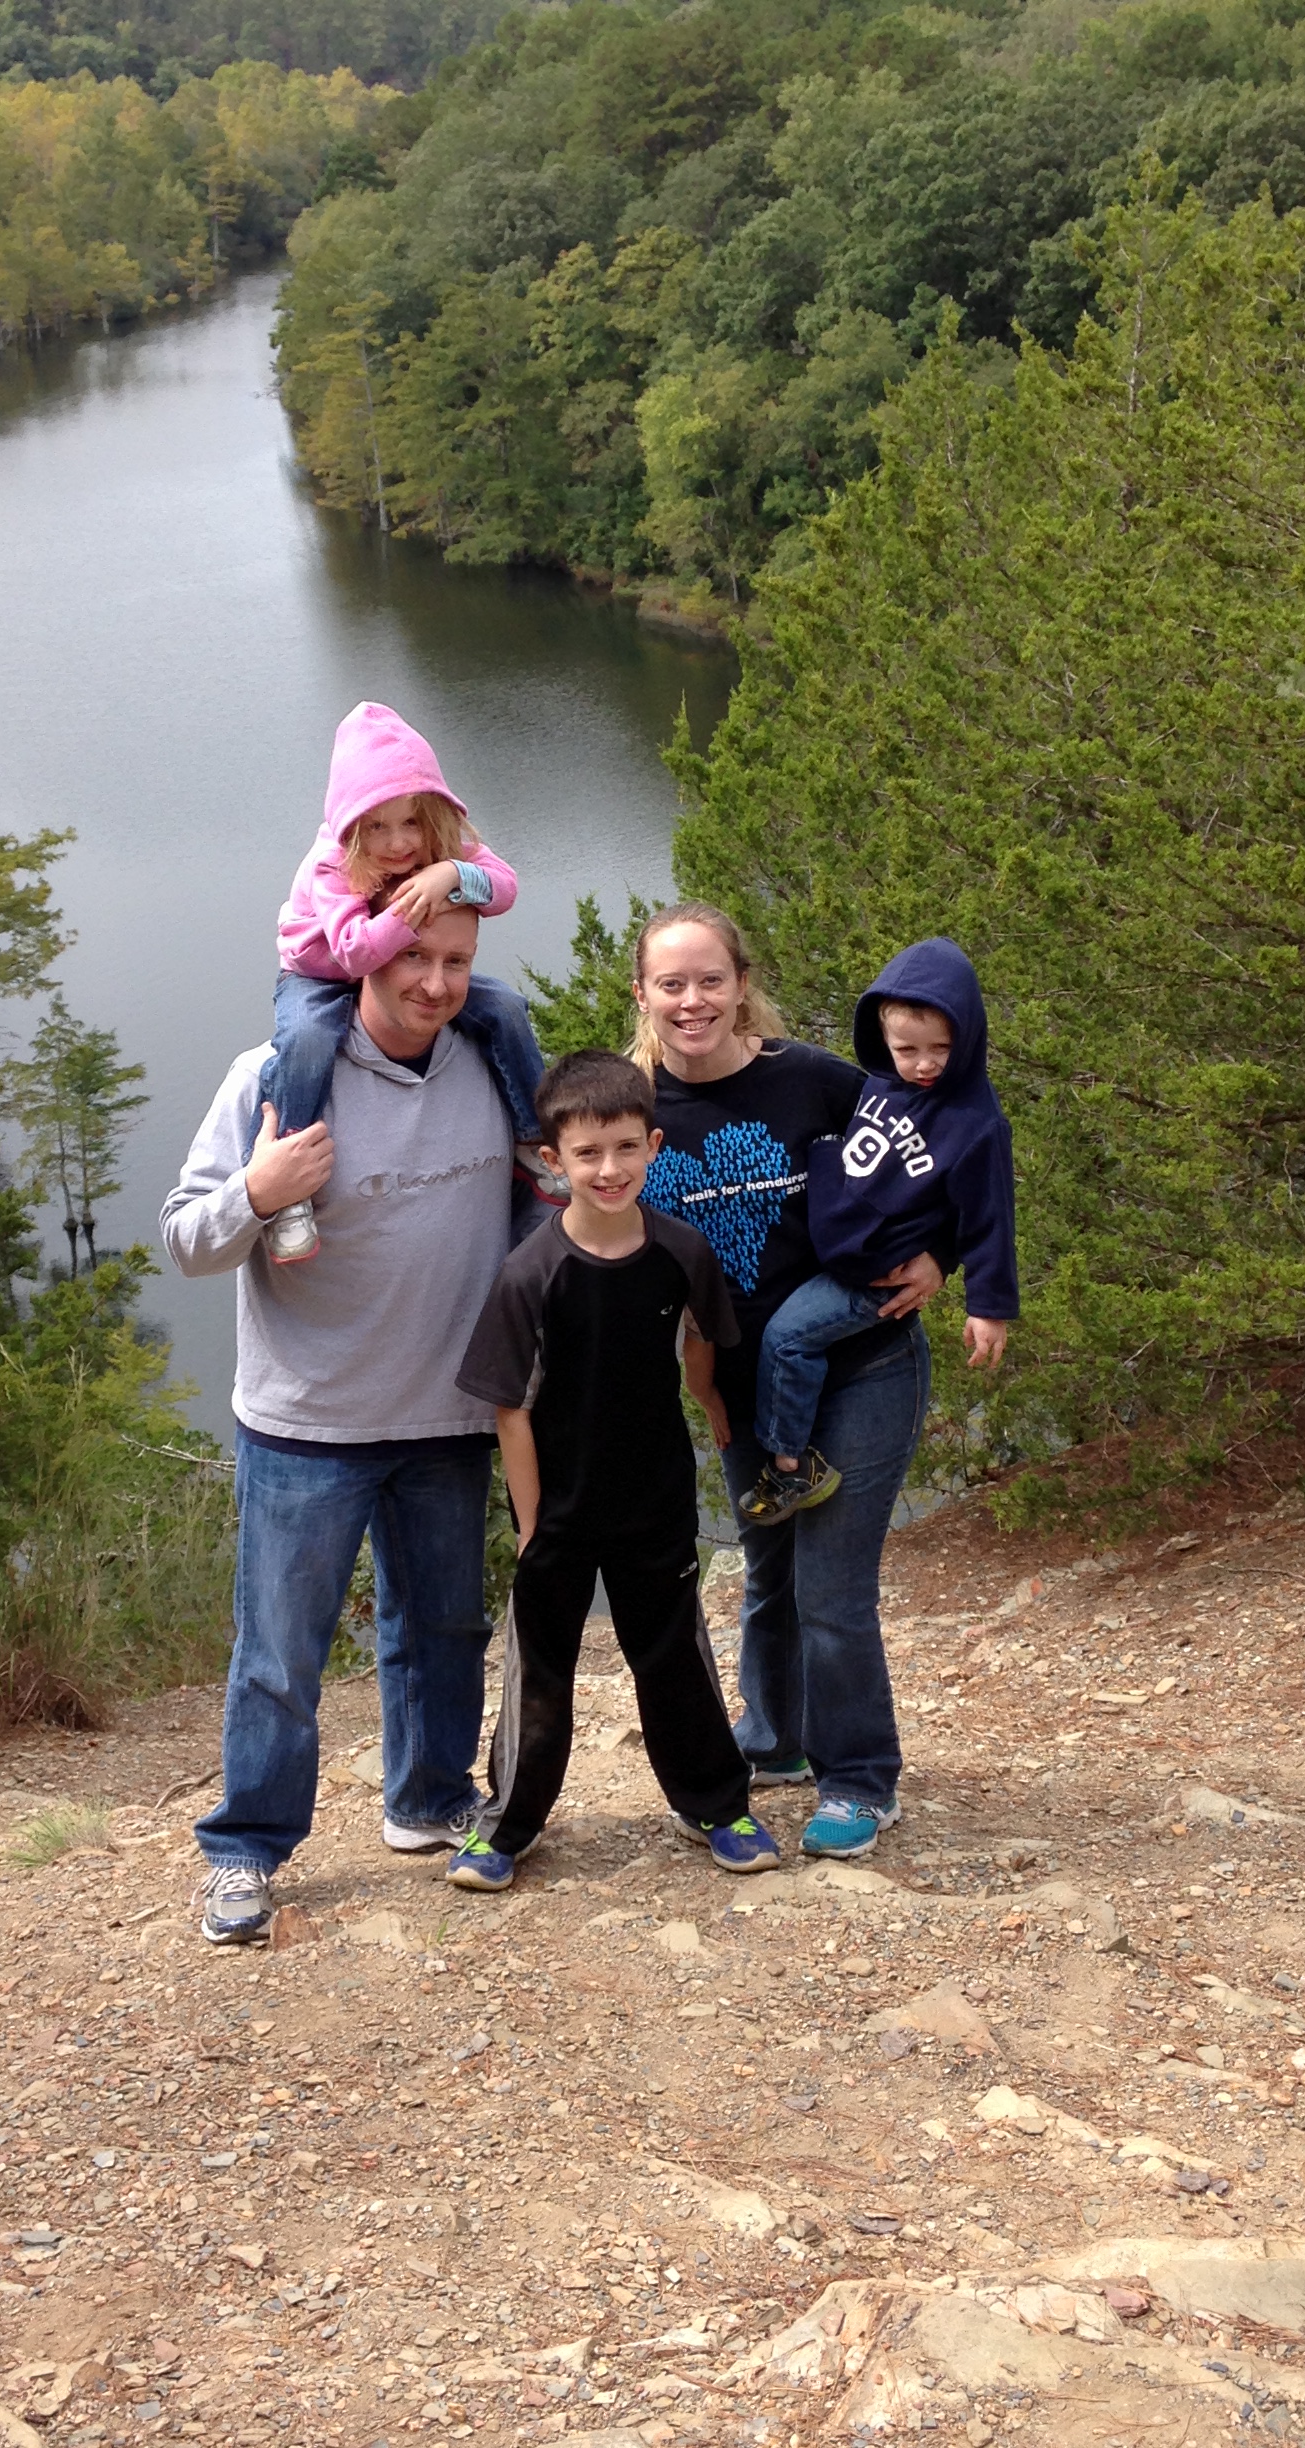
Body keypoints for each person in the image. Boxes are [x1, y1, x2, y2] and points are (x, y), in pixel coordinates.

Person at [159, 903, 517, 1944]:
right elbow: (186, 1239)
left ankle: (430, 1799)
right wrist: (258, 1191)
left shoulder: (494, 1068)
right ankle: (246, 1847)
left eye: (457, 961)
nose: (436, 983)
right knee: (280, 1657)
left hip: (449, 1413)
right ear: (361, 959)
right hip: (306, 1425)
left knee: (444, 1631)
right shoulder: (276, 1076)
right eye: (413, 958)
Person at [632, 904, 937, 1862]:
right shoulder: (632, 1108)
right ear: (642, 994)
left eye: (710, 980)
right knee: (769, 1574)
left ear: (741, 985)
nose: (692, 1001)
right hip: (741, 1389)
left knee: (831, 1588)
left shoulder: (813, 1081)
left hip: (863, 1365)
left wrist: (943, 1252)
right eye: (672, 984)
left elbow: (940, 1147)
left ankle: (861, 1780)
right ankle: (776, 1742)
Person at [447, 1050, 781, 1893]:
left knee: (674, 1660)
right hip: (558, 1509)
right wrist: (530, 1523)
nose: (609, 1169)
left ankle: (718, 1806)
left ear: (653, 1145)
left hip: (655, 1500)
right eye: (587, 1153)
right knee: (540, 1672)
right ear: (552, 1160)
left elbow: (702, 1335)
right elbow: (511, 1408)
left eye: (627, 1147)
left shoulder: (681, 1251)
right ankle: (507, 1827)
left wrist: (707, 1399)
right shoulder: (532, 1272)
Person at [738, 937, 1019, 1528]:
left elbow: (990, 1217)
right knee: (784, 1334)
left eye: (941, 1049)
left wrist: (988, 1308)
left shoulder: (975, 1123)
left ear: (968, 1038)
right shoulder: (883, 1082)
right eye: (906, 1049)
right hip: (839, 1251)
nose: (924, 1064)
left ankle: (790, 1465)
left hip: (877, 1275)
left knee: (787, 1340)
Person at [261, 700, 554, 1264]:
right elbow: (353, 951)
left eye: (411, 822)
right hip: (319, 972)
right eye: (378, 826)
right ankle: (289, 1187)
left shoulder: (439, 851)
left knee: (505, 1008)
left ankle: (532, 1137)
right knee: (307, 1041)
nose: (399, 844)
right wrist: (410, 909)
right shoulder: (331, 864)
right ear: (352, 826)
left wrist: (451, 874)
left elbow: (506, 887)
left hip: (401, 967)